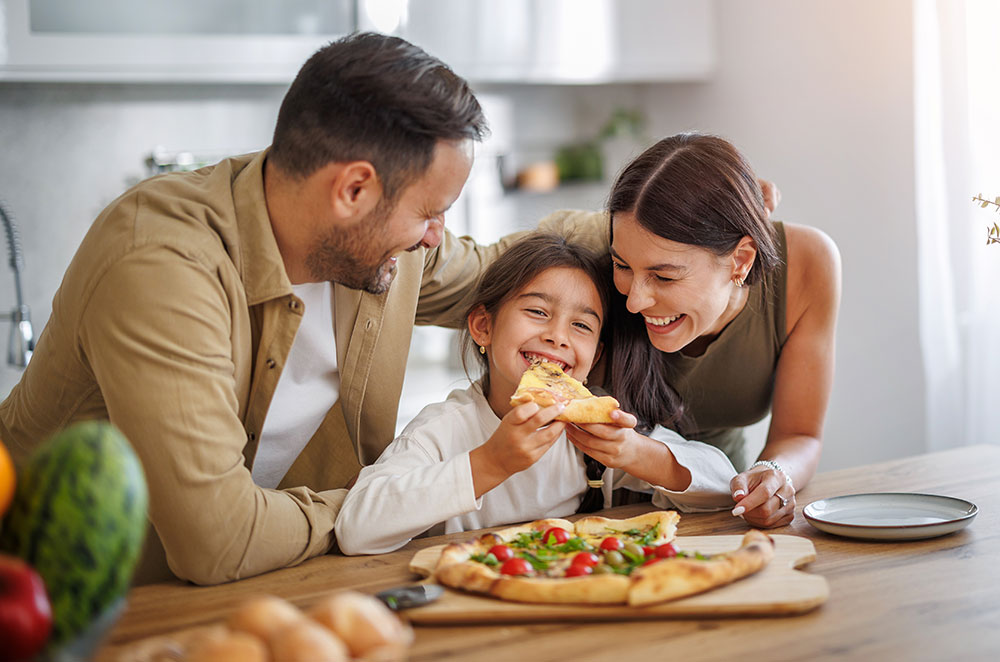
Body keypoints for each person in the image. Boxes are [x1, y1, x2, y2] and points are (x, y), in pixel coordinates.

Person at [0, 32, 527, 585]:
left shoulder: (381, 250)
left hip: (244, 596)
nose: (433, 237)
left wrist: (624, 242)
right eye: (430, 212)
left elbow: (508, 269)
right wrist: (378, 510)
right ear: (352, 191)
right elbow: (219, 540)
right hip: (61, 605)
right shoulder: (163, 264)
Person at [335, 234, 737, 555]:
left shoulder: (595, 429)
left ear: (594, 355)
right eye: (538, 312)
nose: (557, 336)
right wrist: (489, 463)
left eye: (581, 325)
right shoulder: (443, 430)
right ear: (482, 327)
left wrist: (635, 453)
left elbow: (725, 486)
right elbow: (356, 528)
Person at [536, 133, 841, 529]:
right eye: (623, 266)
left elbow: (801, 433)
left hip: (717, 497)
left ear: (741, 261)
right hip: (600, 511)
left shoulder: (808, 264)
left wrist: (773, 475)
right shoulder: (593, 262)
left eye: (664, 277)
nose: (633, 301)